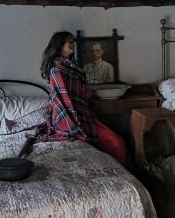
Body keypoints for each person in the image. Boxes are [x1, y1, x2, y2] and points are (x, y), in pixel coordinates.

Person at [33, 31, 129, 165]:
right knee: (114, 143)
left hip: (84, 113)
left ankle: (122, 171)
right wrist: (74, 126)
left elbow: (81, 91)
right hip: (69, 118)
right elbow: (62, 101)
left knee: (117, 142)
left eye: (73, 42)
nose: (73, 45)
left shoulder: (72, 66)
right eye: (69, 42)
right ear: (60, 45)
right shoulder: (57, 70)